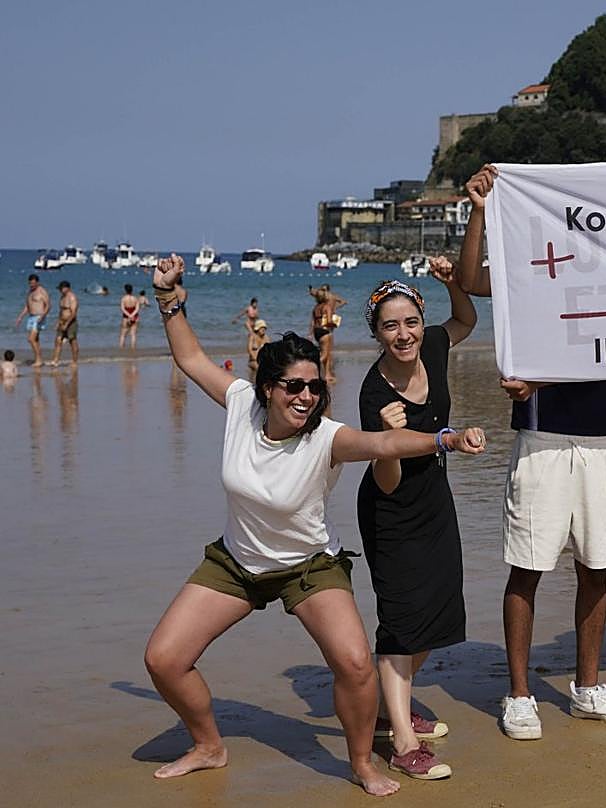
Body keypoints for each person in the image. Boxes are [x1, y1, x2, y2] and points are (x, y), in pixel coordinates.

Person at [140, 254, 485, 796]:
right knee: (163, 658)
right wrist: (168, 296)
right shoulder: (238, 405)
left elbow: (384, 443)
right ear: (267, 388)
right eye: (292, 386)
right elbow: (189, 356)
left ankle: (364, 762)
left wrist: (445, 439)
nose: (305, 396)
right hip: (236, 563)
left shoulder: (327, 436)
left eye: (313, 385)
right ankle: (208, 745)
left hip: (309, 567)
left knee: (353, 664)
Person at [456, 163, 606, 741]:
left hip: (604, 443)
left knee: (597, 568)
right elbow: (469, 280)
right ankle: (518, 694)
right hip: (540, 441)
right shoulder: (534, 269)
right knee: (527, 570)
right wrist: (480, 211)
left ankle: (587, 688)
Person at [356, 268, 478, 780]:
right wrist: (392, 438)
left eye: (409, 322)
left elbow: (466, 320)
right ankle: (402, 741)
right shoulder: (372, 393)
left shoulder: (432, 345)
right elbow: (385, 478)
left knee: (439, 607)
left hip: (435, 499)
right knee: (403, 618)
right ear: (376, 333)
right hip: (392, 509)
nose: (403, 334)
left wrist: (454, 283)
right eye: (390, 327)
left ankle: (390, 706)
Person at [13, 273, 50, 367]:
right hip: (31, 317)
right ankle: (39, 359)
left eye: (33, 283)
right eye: (30, 283)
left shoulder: (42, 291)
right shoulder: (30, 292)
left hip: (38, 317)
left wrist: (43, 316)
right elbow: (27, 306)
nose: (32, 285)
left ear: (37, 282)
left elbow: (48, 305)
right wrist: (20, 317)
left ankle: (38, 360)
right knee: (35, 340)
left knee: (31, 339)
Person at [48, 280, 79, 367]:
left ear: (67, 288)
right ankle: (55, 360)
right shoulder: (62, 297)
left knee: (72, 341)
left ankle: (74, 361)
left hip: (71, 322)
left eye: (61, 288)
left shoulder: (72, 297)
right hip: (62, 321)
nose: (60, 290)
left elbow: (73, 313)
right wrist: (58, 322)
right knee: (58, 341)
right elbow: (61, 311)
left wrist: (67, 324)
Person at [310, 288, 338, 381]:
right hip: (325, 331)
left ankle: (327, 375)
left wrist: (310, 333)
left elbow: (313, 322)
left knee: (327, 354)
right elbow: (329, 321)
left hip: (317, 331)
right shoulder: (327, 307)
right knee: (325, 355)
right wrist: (335, 323)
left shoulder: (316, 308)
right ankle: (311, 366)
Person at [120, 284, 140, 349]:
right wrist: (132, 315)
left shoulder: (124, 298)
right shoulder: (135, 298)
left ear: (125, 290)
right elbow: (137, 309)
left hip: (126, 317)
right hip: (135, 317)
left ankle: (121, 349)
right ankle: (133, 348)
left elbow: (123, 309)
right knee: (133, 335)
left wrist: (129, 315)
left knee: (123, 335)